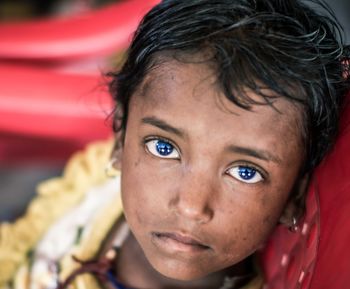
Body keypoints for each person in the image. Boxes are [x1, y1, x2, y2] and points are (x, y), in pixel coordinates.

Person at [1, 0, 349, 289]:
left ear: (294, 195)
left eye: (245, 171)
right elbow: (24, 239)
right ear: (121, 139)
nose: (190, 207)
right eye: (163, 148)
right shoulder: (95, 183)